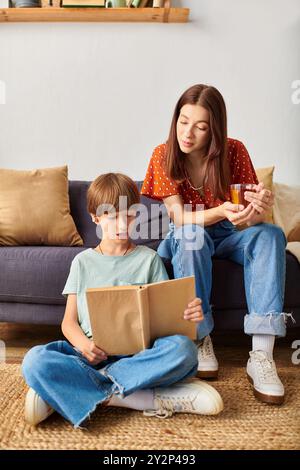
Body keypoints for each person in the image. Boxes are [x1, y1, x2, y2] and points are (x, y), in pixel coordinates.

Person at [22, 172, 223, 428]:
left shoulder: (148, 259)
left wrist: (188, 315)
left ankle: (81, 389)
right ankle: (140, 397)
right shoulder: (82, 262)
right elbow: (68, 323)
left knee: (184, 351)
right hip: (91, 356)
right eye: (112, 216)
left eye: (128, 216)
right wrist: (84, 346)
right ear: (95, 217)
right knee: (35, 360)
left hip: (140, 357)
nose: (121, 224)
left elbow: (167, 318)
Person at [141, 84, 287, 405]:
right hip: (187, 235)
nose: (188, 133)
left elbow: (248, 220)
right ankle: (200, 337)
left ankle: (261, 355)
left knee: (271, 235)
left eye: (200, 126)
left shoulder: (235, 151)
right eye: (183, 121)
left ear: (215, 130)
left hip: (229, 233)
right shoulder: (162, 155)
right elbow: (179, 218)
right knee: (190, 235)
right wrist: (221, 210)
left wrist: (259, 207)